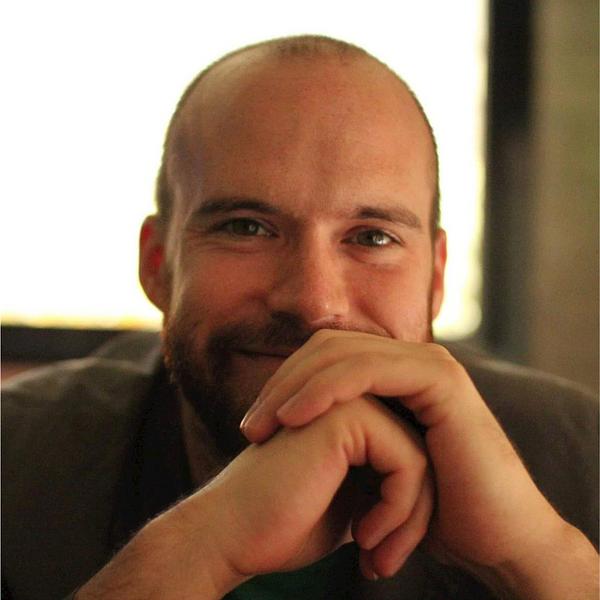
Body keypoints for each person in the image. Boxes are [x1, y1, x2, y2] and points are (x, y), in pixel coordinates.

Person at [2, 35, 598, 600]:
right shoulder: (14, 460)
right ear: (158, 265)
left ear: (436, 278)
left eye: (372, 237)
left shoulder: (583, 456)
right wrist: (198, 548)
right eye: (246, 227)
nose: (314, 302)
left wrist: (539, 556)